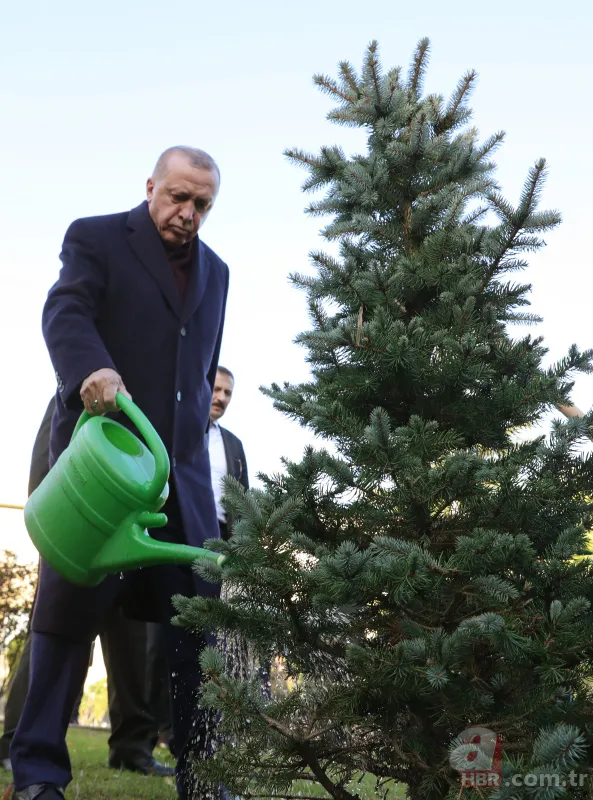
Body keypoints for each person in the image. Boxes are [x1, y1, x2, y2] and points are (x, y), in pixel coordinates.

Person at [9, 145, 229, 800]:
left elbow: (199, 365)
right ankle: (38, 772)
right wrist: (89, 371)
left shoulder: (217, 272)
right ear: (151, 187)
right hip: (101, 461)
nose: (187, 213)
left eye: (202, 205)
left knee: (196, 621)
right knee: (66, 616)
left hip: (180, 475)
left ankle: (203, 777)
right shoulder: (97, 237)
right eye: (178, 197)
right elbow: (64, 311)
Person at [1, 399, 174, 779]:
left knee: (134, 639)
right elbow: (53, 469)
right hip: (79, 536)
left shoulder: (155, 419)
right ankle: (17, 738)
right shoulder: (81, 398)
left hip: (127, 538)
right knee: (57, 624)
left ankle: (133, 747)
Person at [148, 366, 249, 753]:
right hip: (178, 538)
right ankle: (171, 733)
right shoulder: (178, 434)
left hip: (221, 546)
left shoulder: (234, 445)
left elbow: (242, 497)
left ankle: (208, 736)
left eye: (228, 393)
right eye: (216, 389)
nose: (221, 397)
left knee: (214, 642)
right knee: (175, 641)